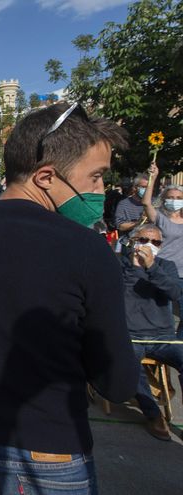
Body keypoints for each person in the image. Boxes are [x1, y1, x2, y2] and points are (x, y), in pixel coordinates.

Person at [0, 102, 138, 494]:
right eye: (95, 177)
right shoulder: (87, 250)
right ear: (45, 177)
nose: (100, 192)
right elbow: (119, 383)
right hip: (48, 458)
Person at [120, 224, 183, 441]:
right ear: (133, 241)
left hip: (163, 337)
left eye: (155, 242)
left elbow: (174, 292)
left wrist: (151, 267)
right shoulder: (120, 265)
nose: (149, 245)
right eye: (144, 240)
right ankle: (153, 414)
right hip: (130, 336)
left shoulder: (166, 266)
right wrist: (134, 267)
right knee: (129, 364)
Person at [141, 162, 183, 337]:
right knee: (162, 313)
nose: (174, 201)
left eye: (179, 197)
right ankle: (161, 344)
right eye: (171, 197)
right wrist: (153, 178)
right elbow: (146, 203)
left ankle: (178, 345)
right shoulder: (160, 218)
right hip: (163, 271)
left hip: (182, 274)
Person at [115, 173, 149, 250]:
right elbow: (120, 226)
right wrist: (139, 222)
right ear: (134, 188)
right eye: (143, 187)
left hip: (150, 245)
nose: (146, 190)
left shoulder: (154, 203)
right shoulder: (124, 204)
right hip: (130, 246)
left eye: (148, 188)